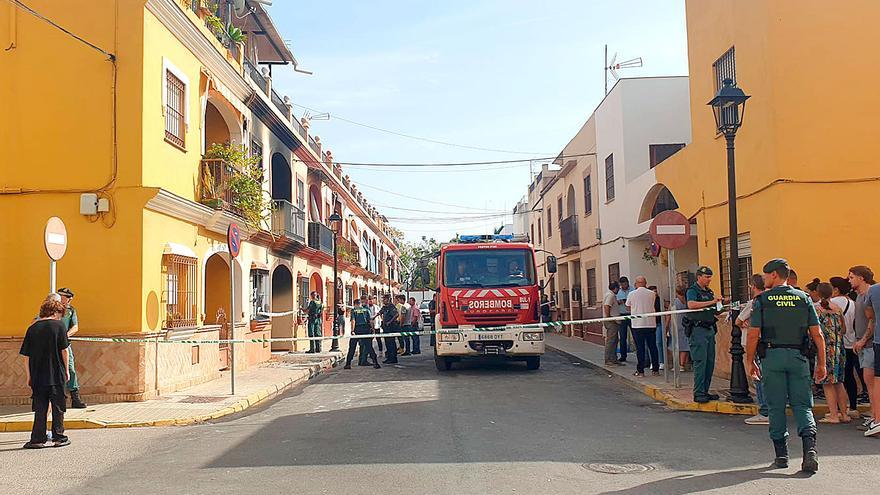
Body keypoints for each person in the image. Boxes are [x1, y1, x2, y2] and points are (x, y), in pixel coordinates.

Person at [747, 258, 826, 473]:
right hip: (799, 357)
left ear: (774, 275)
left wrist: (750, 361)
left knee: (776, 407)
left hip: (772, 358)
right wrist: (822, 363)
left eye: (765, 275)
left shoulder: (762, 300)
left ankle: (781, 457)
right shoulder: (804, 298)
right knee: (802, 405)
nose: (764, 279)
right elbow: (817, 334)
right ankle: (810, 451)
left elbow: (753, 335)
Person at [20, 297, 71, 449]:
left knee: (40, 408)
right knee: (58, 407)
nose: (60, 317)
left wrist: (29, 376)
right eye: (60, 314)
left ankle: (37, 439)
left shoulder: (32, 328)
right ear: (55, 312)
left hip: (37, 375)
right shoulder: (59, 326)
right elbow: (64, 351)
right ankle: (58, 437)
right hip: (56, 374)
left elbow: (26, 357)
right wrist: (67, 370)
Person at [813, 282, 850, 424]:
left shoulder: (817, 310)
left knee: (827, 383)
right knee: (839, 382)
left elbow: (814, 331)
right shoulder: (838, 309)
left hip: (826, 349)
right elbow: (844, 329)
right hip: (839, 349)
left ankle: (833, 414)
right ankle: (844, 413)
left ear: (818, 293)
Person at [686, 266, 723, 403]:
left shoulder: (709, 292)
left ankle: (705, 391)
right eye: (706, 277)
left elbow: (715, 311)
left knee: (709, 362)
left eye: (710, 277)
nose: (709, 279)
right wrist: (712, 302)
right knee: (700, 362)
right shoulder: (692, 290)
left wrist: (721, 304)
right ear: (699, 277)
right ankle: (698, 392)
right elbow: (691, 305)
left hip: (709, 329)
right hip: (698, 330)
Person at [739, 274, 770, 425]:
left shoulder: (754, 302)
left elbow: (738, 320)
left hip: (755, 343)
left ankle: (764, 411)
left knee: (758, 377)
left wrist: (744, 324)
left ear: (753, 286)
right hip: (768, 343)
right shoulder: (770, 301)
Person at [848, 265, 876, 433]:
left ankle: (875, 417)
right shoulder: (859, 297)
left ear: (861, 278)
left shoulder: (868, 296)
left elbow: (872, 321)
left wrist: (863, 339)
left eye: (851, 277)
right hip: (863, 344)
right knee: (868, 381)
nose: (849, 280)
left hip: (869, 345)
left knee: (871, 381)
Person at [830, 276, 862, 418]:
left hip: (839, 344)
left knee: (838, 379)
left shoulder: (833, 303)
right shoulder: (853, 302)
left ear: (836, 289)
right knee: (851, 377)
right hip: (853, 342)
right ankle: (853, 407)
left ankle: (837, 410)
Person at [56, 288, 86, 409]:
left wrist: (67, 334)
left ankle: (75, 397)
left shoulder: (71, 311)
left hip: (65, 343)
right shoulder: (52, 308)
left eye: (69, 298)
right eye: (65, 297)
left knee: (70, 368)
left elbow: (75, 327)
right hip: (51, 342)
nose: (68, 300)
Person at [626, 276, 659, 377]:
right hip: (650, 323)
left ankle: (640, 371)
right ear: (646, 283)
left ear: (636, 284)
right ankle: (655, 369)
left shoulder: (631, 294)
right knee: (653, 347)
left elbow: (628, 306)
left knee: (640, 348)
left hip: (637, 324)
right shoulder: (652, 294)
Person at [862, 276, 880, 436]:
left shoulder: (874, 290)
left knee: (878, 380)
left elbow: (870, 315)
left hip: (879, 340)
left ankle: (878, 420)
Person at [343, 297, 380, 370]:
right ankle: (376, 363)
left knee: (352, 347)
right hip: (366, 330)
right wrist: (372, 330)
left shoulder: (354, 310)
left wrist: (352, 330)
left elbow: (353, 321)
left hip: (357, 330)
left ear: (355, 304)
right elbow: (370, 320)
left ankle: (348, 364)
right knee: (369, 347)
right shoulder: (366, 310)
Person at [665, 286, 690, 372]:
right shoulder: (687, 301)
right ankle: (682, 365)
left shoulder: (674, 302)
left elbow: (669, 315)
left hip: (676, 325)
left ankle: (676, 364)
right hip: (685, 325)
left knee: (674, 345)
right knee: (684, 345)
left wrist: (666, 326)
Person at [602, 281, 623, 366]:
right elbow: (607, 306)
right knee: (611, 340)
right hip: (612, 321)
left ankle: (613, 358)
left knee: (615, 340)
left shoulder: (611, 295)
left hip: (613, 320)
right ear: (615, 288)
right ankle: (608, 359)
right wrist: (609, 317)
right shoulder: (610, 295)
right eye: (618, 288)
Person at [616, 277, 633, 363]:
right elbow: (615, 301)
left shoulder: (633, 290)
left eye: (625, 284)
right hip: (622, 314)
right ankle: (623, 356)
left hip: (631, 315)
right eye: (622, 284)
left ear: (627, 282)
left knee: (635, 334)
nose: (623, 285)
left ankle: (639, 354)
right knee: (622, 337)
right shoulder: (618, 292)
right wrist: (619, 302)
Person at [649, 285, 664, 370]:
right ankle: (653, 362)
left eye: (656, 291)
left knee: (658, 342)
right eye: (653, 291)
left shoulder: (659, 300)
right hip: (650, 324)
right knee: (651, 344)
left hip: (659, 323)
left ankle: (661, 361)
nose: (655, 293)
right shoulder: (648, 301)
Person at [380, 294, 399, 364]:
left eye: (384, 299)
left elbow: (396, 315)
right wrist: (373, 317)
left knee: (391, 343)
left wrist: (389, 322)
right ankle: (389, 358)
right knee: (387, 343)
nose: (383, 300)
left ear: (388, 299)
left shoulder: (391, 307)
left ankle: (393, 358)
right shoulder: (385, 307)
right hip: (386, 328)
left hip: (390, 328)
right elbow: (380, 312)